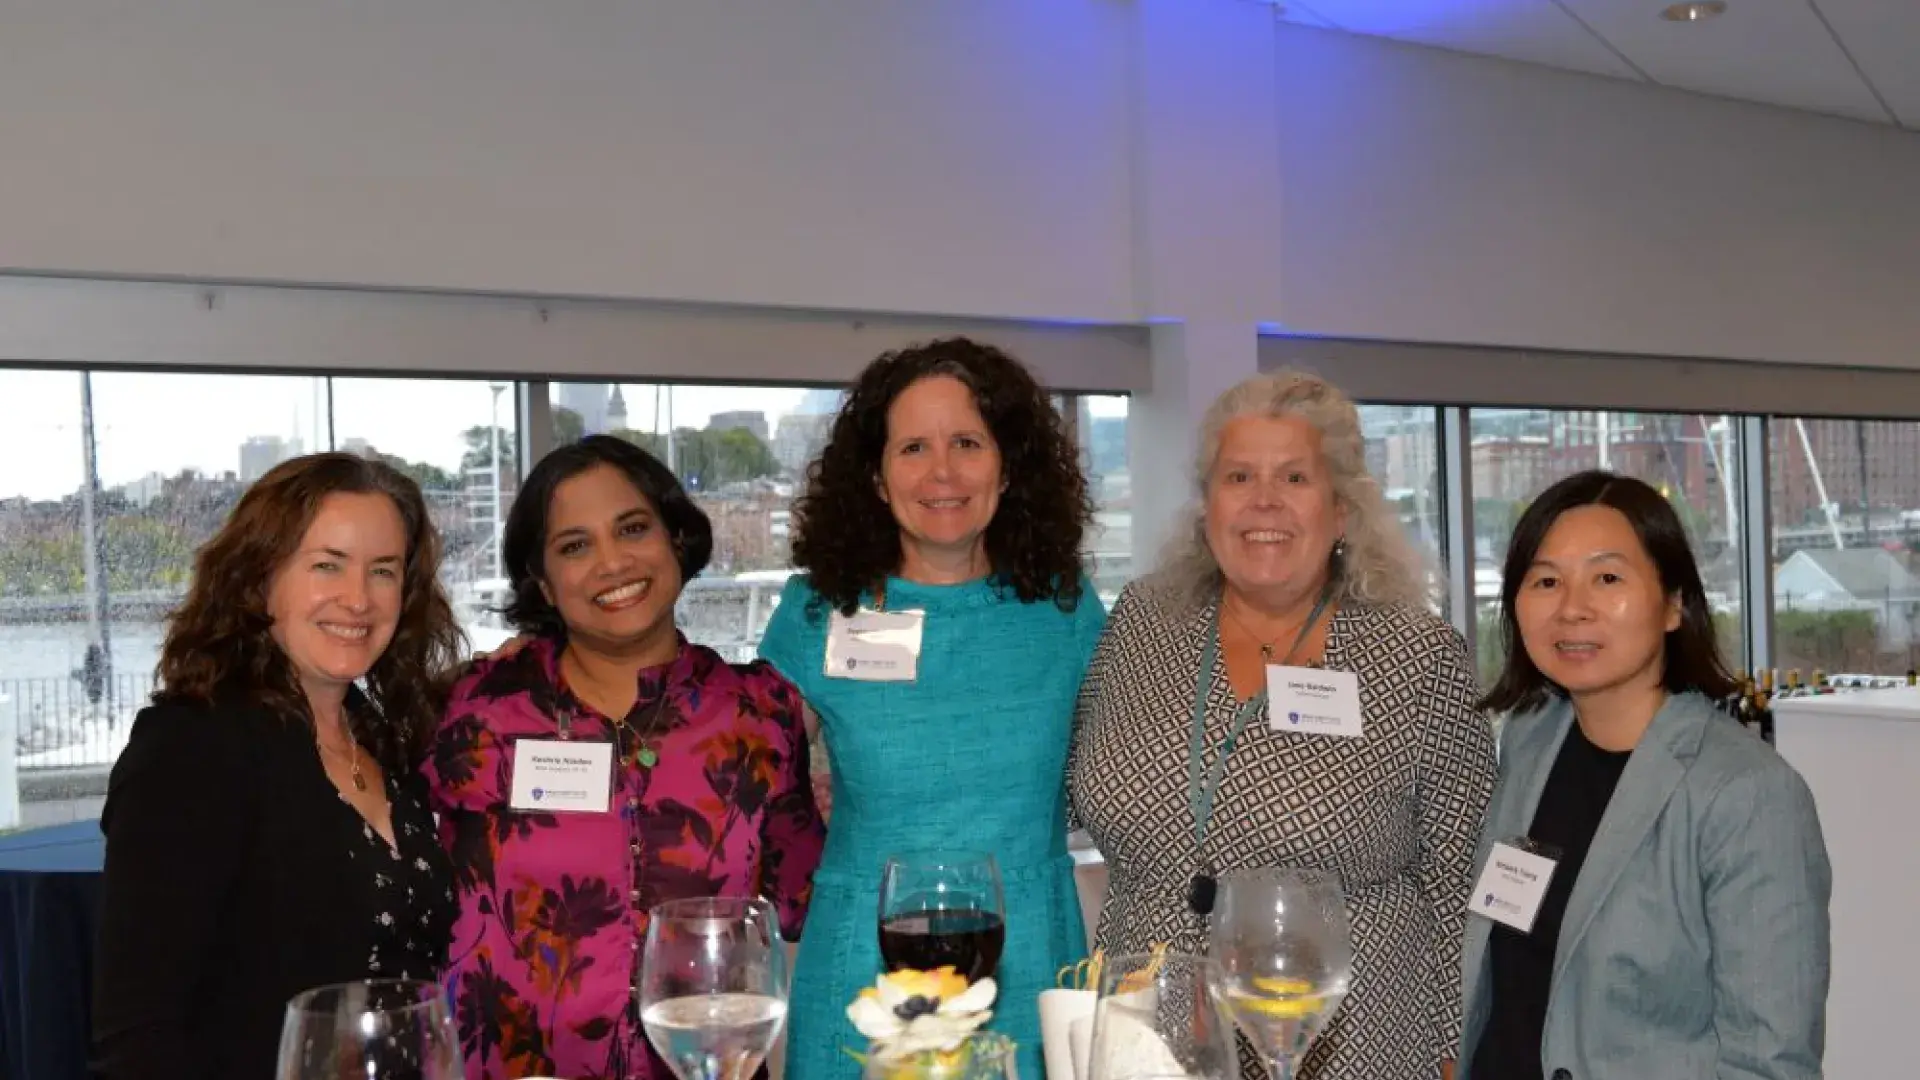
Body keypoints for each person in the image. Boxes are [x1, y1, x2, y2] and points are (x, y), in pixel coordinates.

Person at [1070, 370, 1496, 1080]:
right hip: (1149, 1037)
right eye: (1238, 476)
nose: (1263, 500)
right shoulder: (1143, 623)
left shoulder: (1415, 653)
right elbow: (1068, 784)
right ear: (1207, 505)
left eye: (1294, 477)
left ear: (1341, 511)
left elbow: (1459, 879)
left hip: (1348, 1043)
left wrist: (1457, 1049)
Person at [425, 434, 824, 1080]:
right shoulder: (478, 712)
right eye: (574, 546)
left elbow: (802, 895)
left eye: (632, 528)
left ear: (678, 540)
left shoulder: (759, 712)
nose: (611, 563)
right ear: (545, 586)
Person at [757, 336, 1104, 1080]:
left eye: (967, 443)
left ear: (1007, 467)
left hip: (1029, 961)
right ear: (877, 479)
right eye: (912, 446)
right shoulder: (817, 613)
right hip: (865, 969)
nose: (942, 471)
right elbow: (729, 753)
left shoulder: (1065, 611)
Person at [93, 453, 463, 1080]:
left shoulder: (385, 736)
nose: (358, 599)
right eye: (327, 565)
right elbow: (136, 1036)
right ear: (260, 578)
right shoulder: (190, 747)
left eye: (383, 571)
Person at [1459, 471, 1831, 1080]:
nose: (1572, 608)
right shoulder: (1531, 738)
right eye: (1546, 580)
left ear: (1674, 603)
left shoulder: (1747, 795)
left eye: (1607, 578)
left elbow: (1771, 1062)